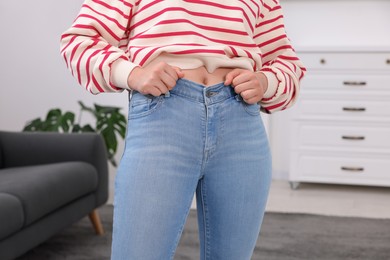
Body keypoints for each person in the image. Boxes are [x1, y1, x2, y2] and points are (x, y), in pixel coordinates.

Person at [60, 0, 305, 259]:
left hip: (240, 123)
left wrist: (265, 82)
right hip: (163, 116)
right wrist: (132, 74)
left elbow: (286, 63)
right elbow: (79, 42)